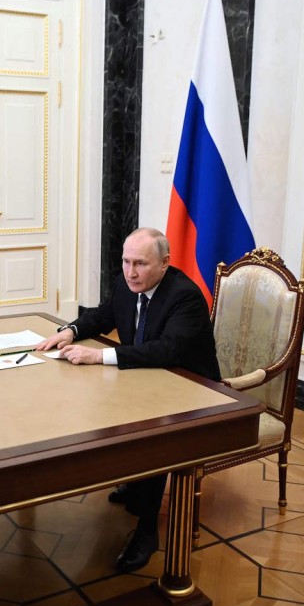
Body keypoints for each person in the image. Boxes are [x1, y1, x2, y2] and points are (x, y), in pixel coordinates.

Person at [35, 227, 220, 573]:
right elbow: (104, 314)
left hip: (193, 389)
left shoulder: (185, 296)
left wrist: (98, 356)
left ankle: (147, 530)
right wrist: (70, 331)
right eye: (126, 262)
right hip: (148, 378)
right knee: (105, 406)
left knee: (153, 433)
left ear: (165, 263)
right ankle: (135, 480)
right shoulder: (127, 283)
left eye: (140, 264)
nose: (131, 272)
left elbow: (167, 350)